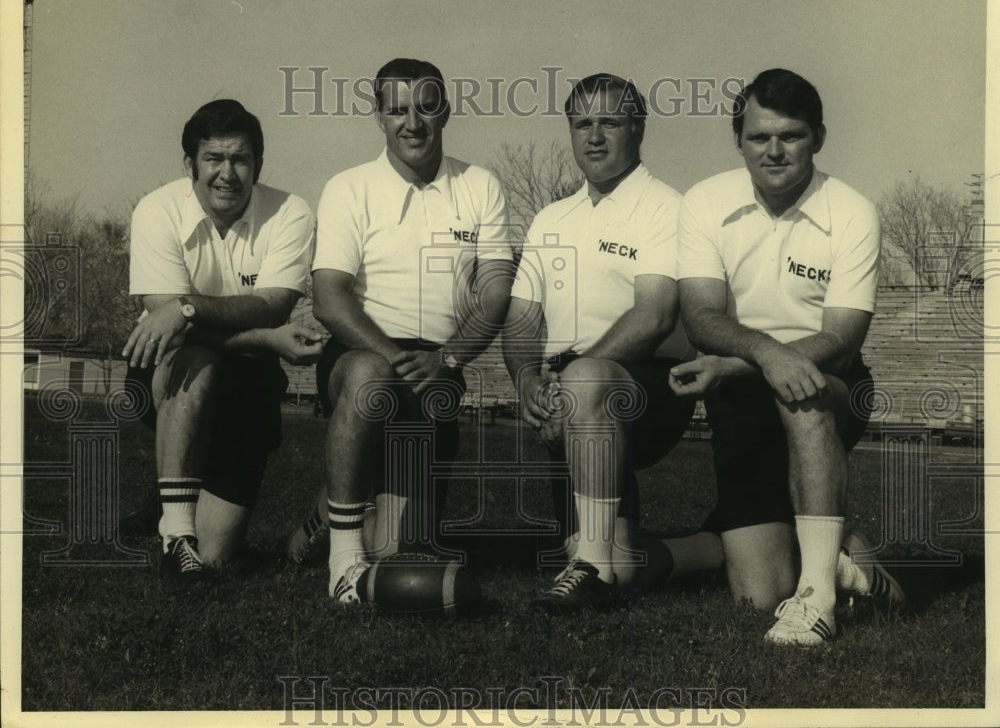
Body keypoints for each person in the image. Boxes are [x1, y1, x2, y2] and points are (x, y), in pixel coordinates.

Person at [670, 68, 905, 646]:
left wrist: (750, 363)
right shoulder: (705, 201)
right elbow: (701, 317)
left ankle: (820, 598)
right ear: (739, 139)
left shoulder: (852, 211)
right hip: (740, 390)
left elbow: (844, 338)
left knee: (802, 394)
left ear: (818, 138)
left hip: (830, 381)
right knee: (758, 593)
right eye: (759, 137)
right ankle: (850, 563)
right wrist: (760, 359)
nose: (774, 151)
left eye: (792, 136)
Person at [284, 58, 514, 602]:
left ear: (447, 111)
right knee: (369, 380)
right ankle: (342, 561)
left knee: (398, 550)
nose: (413, 122)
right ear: (379, 117)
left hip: (439, 369)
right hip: (360, 354)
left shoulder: (481, 185)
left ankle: (326, 512)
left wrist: (449, 359)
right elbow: (330, 298)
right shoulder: (349, 187)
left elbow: (496, 292)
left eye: (427, 106)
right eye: (398, 109)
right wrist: (390, 356)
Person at [503, 74, 723, 614]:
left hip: (643, 384)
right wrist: (529, 380)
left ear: (638, 128)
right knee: (614, 557)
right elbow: (521, 319)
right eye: (582, 124)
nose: (594, 136)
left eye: (610, 122)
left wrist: (572, 379)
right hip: (568, 388)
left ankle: (593, 570)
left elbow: (654, 316)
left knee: (587, 381)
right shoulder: (551, 217)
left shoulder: (666, 206)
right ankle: (711, 547)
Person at [122, 99, 320, 582]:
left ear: (259, 163)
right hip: (170, 372)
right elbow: (167, 325)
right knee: (197, 356)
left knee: (219, 561)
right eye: (214, 158)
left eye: (241, 159)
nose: (227, 173)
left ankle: (170, 502)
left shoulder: (291, 211)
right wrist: (269, 341)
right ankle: (176, 537)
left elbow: (272, 304)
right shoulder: (156, 209)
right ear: (190, 163)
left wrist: (188, 307)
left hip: (251, 382)